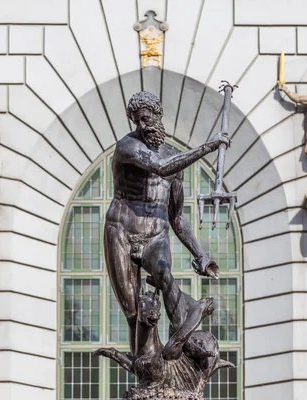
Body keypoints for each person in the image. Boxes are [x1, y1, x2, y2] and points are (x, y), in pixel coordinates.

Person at [105, 91, 229, 360]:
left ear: (158, 116)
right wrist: (207, 148)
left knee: (163, 273)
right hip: (121, 231)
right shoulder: (127, 147)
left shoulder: (175, 159)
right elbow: (160, 167)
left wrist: (200, 254)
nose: (142, 126)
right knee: (133, 311)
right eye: (136, 121)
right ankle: (145, 369)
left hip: (155, 233)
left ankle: (181, 342)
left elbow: (176, 216)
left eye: (146, 119)